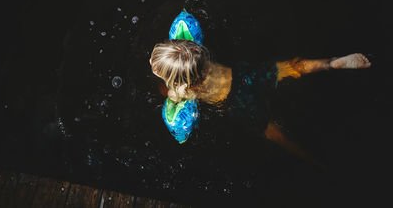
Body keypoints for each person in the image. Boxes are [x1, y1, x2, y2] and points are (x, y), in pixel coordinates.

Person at [149, 39, 371, 168]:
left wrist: (167, 92)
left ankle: (316, 163)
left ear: (179, 79)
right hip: (244, 75)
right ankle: (332, 63)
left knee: (275, 135)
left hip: (238, 102)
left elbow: (171, 97)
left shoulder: (181, 89)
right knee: (292, 67)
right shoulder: (201, 58)